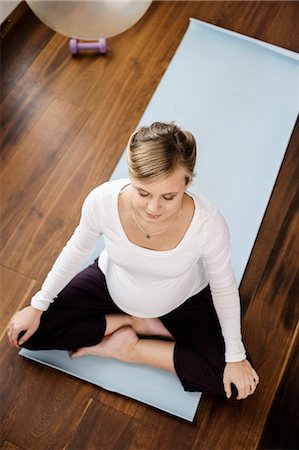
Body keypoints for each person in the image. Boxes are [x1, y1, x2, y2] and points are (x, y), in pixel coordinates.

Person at [7, 122, 259, 400]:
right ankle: (131, 322)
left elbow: (223, 286)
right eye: (143, 193)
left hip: (183, 300)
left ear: (187, 182)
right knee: (27, 335)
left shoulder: (209, 224)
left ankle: (130, 347)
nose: (153, 208)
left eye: (168, 196)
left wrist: (235, 355)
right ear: (130, 176)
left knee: (234, 384)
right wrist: (39, 304)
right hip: (111, 284)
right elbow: (76, 249)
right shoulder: (102, 200)